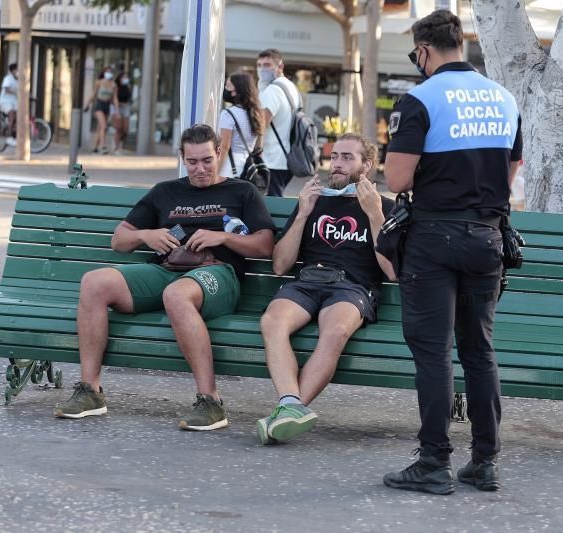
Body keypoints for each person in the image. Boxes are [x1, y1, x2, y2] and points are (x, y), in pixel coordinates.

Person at [54, 124, 277, 430]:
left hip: (218, 273)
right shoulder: (165, 191)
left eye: (207, 161)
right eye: (193, 161)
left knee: (177, 295)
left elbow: (265, 245)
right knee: (94, 283)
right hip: (165, 269)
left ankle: (211, 402)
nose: (200, 169)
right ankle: (90, 391)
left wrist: (222, 239)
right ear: (182, 158)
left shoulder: (242, 191)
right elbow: (118, 241)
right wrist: (148, 235)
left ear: (219, 153)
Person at [382, 10, 522, 495]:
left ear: (424, 50)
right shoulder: (503, 97)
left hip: (434, 238)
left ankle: (434, 463)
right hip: (487, 237)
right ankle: (485, 462)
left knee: (433, 353)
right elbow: (512, 166)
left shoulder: (420, 99)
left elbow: (397, 179)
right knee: (479, 351)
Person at [257, 133, 395, 445]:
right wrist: (303, 212)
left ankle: (286, 413)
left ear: (367, 165)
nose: (337, 164)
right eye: (334, 157)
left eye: (347, 157)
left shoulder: (384, 205)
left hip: (353, 287)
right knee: (272, 321)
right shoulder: (314, 201)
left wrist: (374, 214)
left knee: (334, 330)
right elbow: (279, 266)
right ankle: (291, 407)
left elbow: (392, 270)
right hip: (308, 281)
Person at [257, 48, 300, 196]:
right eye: (260, 65)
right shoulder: (291, 87)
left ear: (280, 66)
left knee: (270, 206)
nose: (262, 69)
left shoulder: (273, 90)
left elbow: (260, 125)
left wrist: (255, 152)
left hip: (271, 159)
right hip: (285, 158)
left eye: (267, 65)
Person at [215, 70, 264, 180]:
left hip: (229, 168)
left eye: (228, 86)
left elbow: (224, 147)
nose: (225, 89)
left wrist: (215, 172)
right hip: (249, 167)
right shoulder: (256, 113)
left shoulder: (228, 114)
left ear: (236, 91)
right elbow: (259, 148)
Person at [85, 66, 118, 154]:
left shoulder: (113, 85)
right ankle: (103, 146)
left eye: (110, 72)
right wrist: (87, 104)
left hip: (107, 105)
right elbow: (93, 94)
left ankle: (96, 147)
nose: (109, 73)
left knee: (100, 127)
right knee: (104, 126)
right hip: (99, 104)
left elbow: (114, 98)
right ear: (104, 73)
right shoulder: (99, 82)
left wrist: (116, 110)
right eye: (107, 72)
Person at [111, 71, 132, 155]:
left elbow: (129, 98)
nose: (125, 79)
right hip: (117, 107)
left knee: (125, 129)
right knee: (119, 128)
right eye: (124, 77)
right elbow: (114, 98)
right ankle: (117, 147)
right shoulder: (115, 86)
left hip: (126, 107)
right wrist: (117, 110)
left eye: (126, 77)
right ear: (120, 78)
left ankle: (119, 142)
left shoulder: (127, 87)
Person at [0, 63, 19, 146]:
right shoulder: (8, 78)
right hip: (5, 102)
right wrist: (17, 92)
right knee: (11, 116)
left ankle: (14, 134)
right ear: (13, 70)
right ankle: (9, 137)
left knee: (18, 117)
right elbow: (6, 89)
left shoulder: (19, 80)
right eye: (17, 69)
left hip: (14, 102)